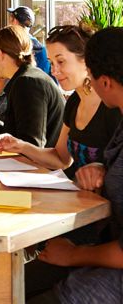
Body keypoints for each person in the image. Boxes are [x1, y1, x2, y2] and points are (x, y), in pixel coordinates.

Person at [26, 27, 123, 304]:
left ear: (103, 80)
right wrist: (103, 170)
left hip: (101, 261)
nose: (54, 70)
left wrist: (72, 255)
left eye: (60, 61)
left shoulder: (111, 114)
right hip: (94, 240)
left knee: (13, 289)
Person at [0, 25, 121, 179]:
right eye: (51, 63)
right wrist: (20, 145)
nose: (54, 71)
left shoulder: (112, 104)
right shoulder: (75, 101)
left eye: (61, 62)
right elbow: (61, 159)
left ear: (85, 60)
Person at [0, 25, 64, 147]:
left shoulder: (27, 82)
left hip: (40, 165)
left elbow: (31, 144)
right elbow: (16, 136)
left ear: (0, 54)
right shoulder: (26, 78)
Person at [8, 5, 52, 75]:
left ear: (15, 22)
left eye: (10, 20)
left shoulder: (12, 46)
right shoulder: (41, 48)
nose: (9, 23)